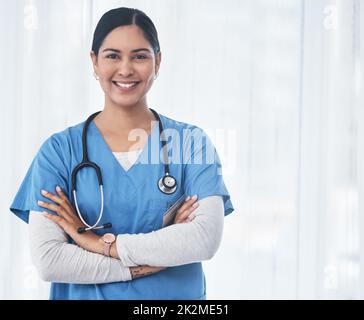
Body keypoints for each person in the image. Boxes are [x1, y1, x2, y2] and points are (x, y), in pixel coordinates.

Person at [10, 7, 234, 300]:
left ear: (158, 62)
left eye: (140, 56)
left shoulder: (191, 143)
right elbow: (50, 260)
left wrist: (89, 241)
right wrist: (141, 265)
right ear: (94, 61)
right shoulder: (58, 152)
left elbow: (204, 239)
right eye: (112, 55)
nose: (126, 69)